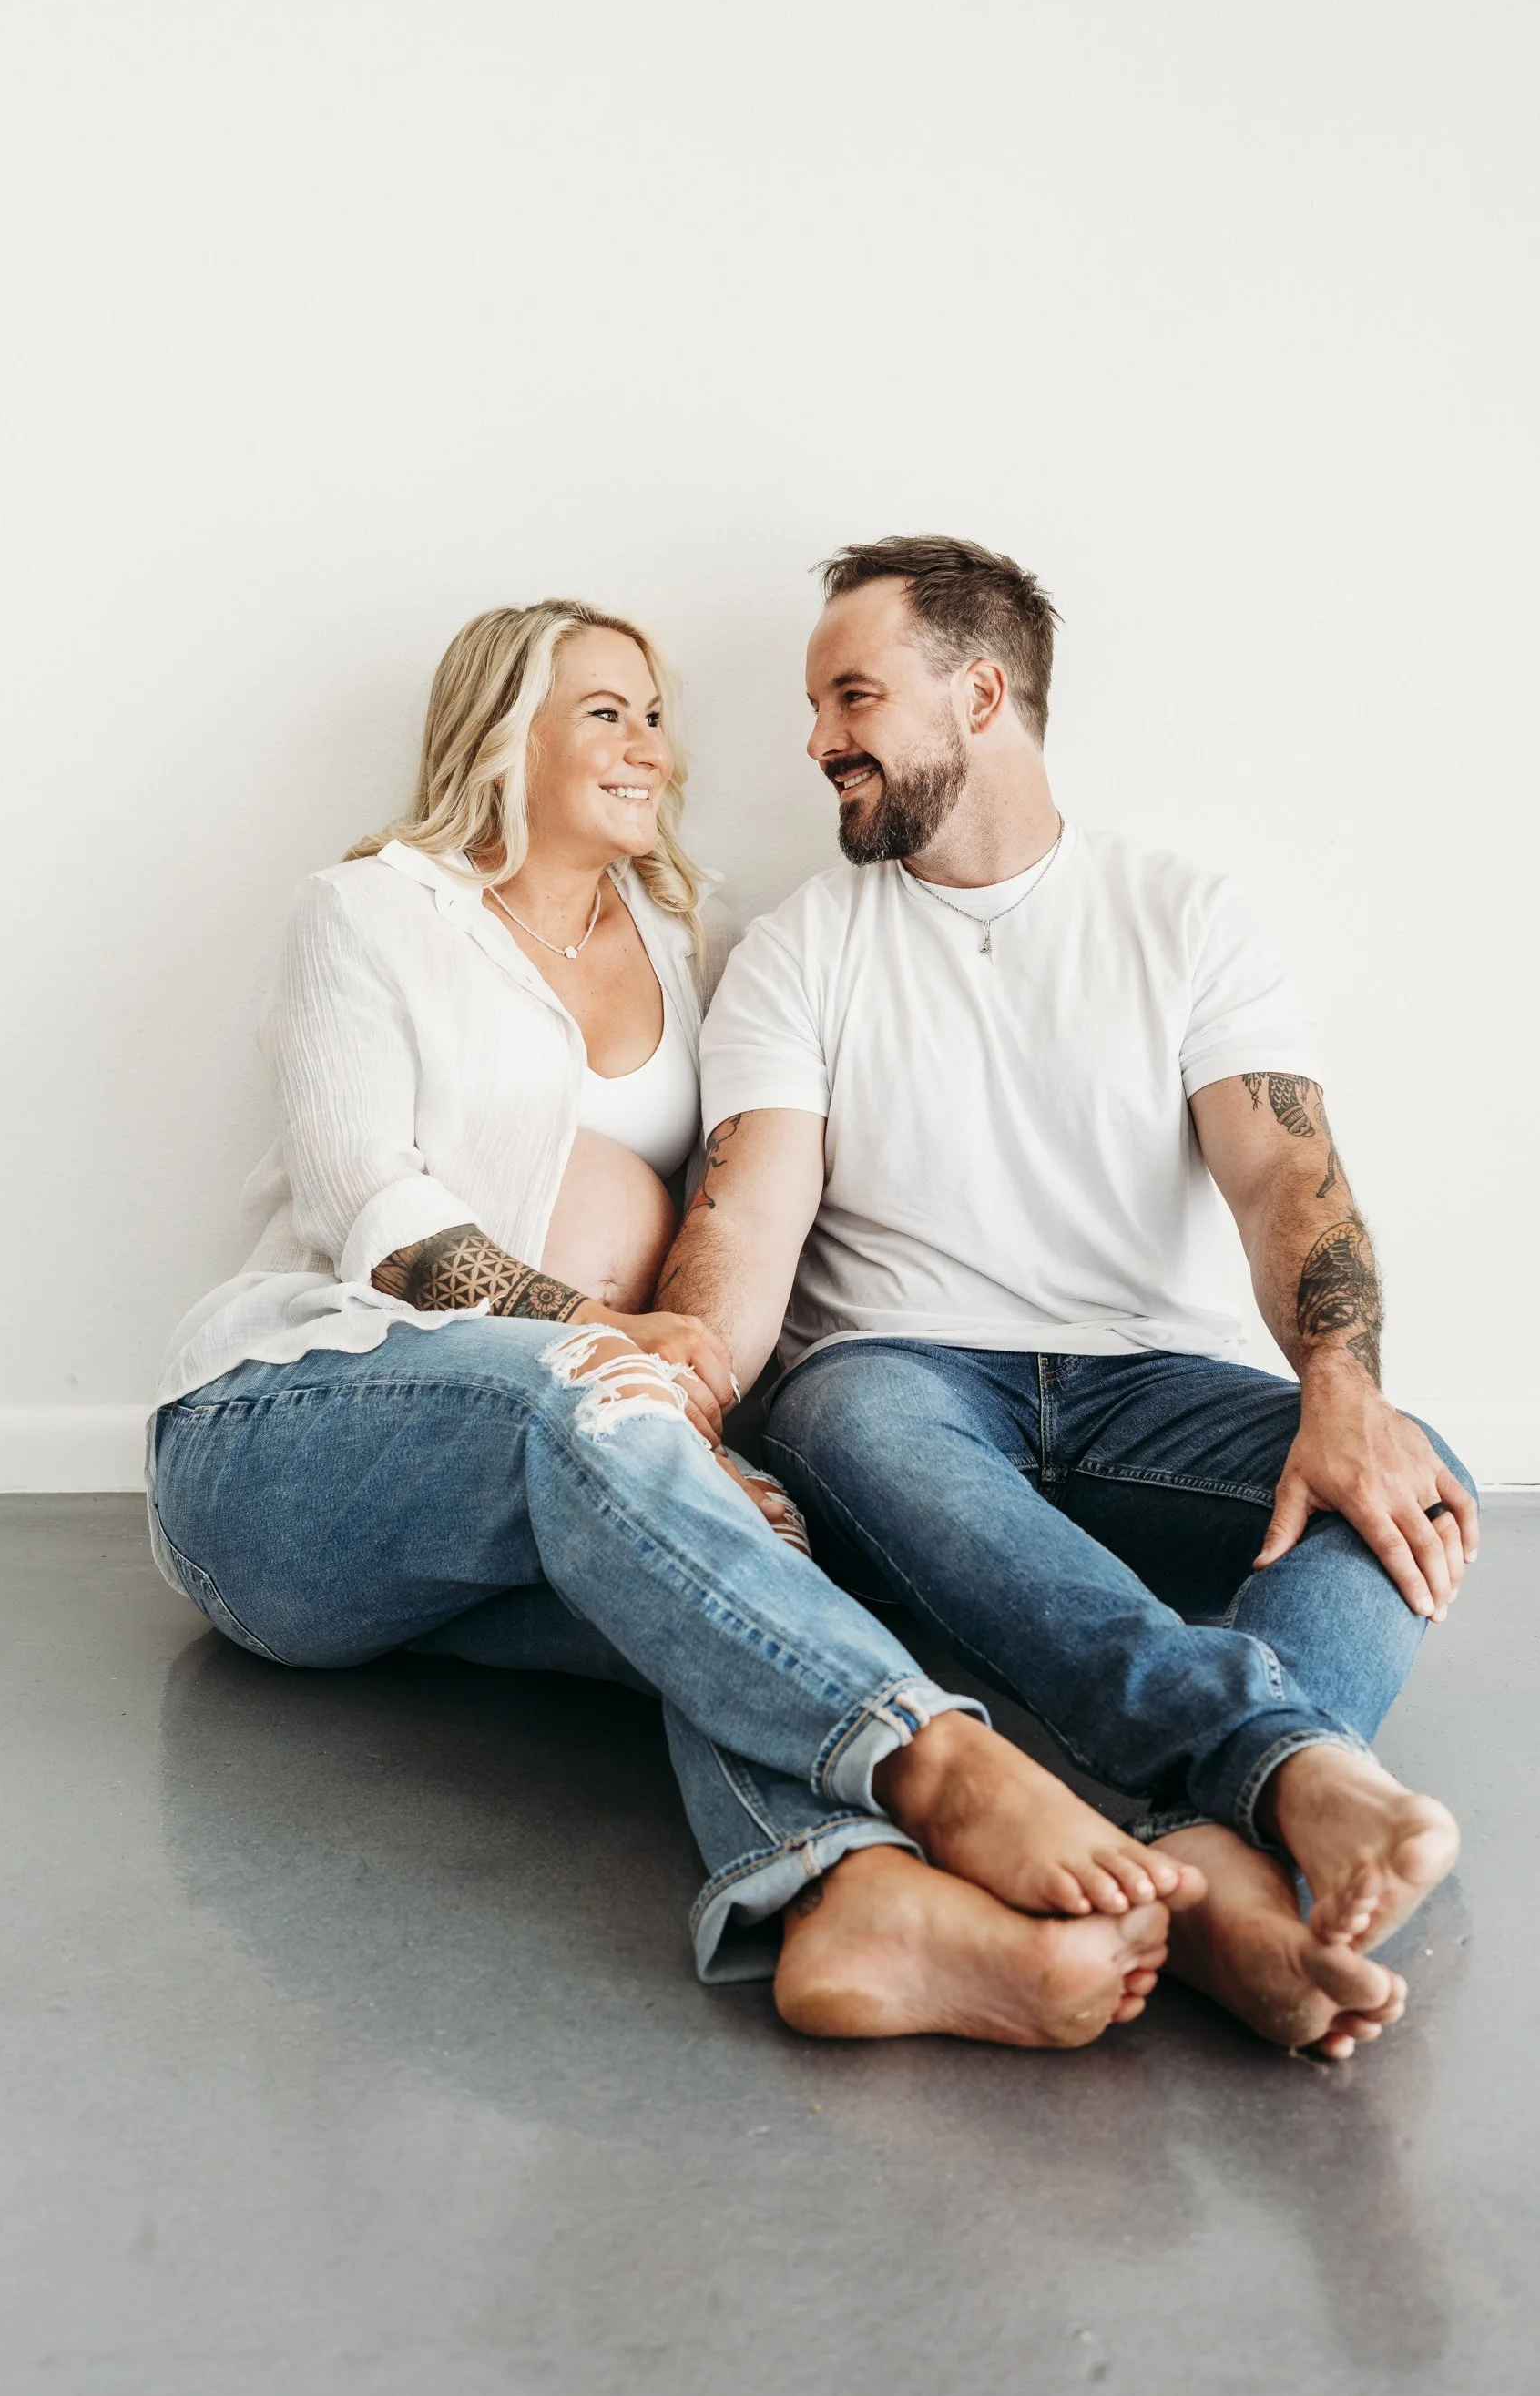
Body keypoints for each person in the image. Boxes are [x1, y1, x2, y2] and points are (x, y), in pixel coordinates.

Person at [146, 596, 1199, 2048]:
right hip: (290, 1453)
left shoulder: (667, 930)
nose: (653, 746)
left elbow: (738, 1205)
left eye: (656, 713)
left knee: (735, 1577)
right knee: (586, 1395)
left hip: (550, 1476)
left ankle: (843, 1899)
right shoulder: (373, 910)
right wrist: (606, 1339)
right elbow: (369, 1209)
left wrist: (722, 1402)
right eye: (606, 712)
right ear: (502, 731)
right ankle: (939, 1764)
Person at [655, 536, 1479, 2063]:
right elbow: (743, 1225)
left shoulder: (1183, 913)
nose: (819, 739)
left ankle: (1221, 1856)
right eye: (815, 704)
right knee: (843, 1409)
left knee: (1412, 1470)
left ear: (982, 693)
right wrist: (690, 1395)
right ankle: (1278, 1780)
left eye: (854, 694)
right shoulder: (799, 951)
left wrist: (1345, 1399)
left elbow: (1285, 1178)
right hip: (900, 1394)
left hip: (1142, 1387)